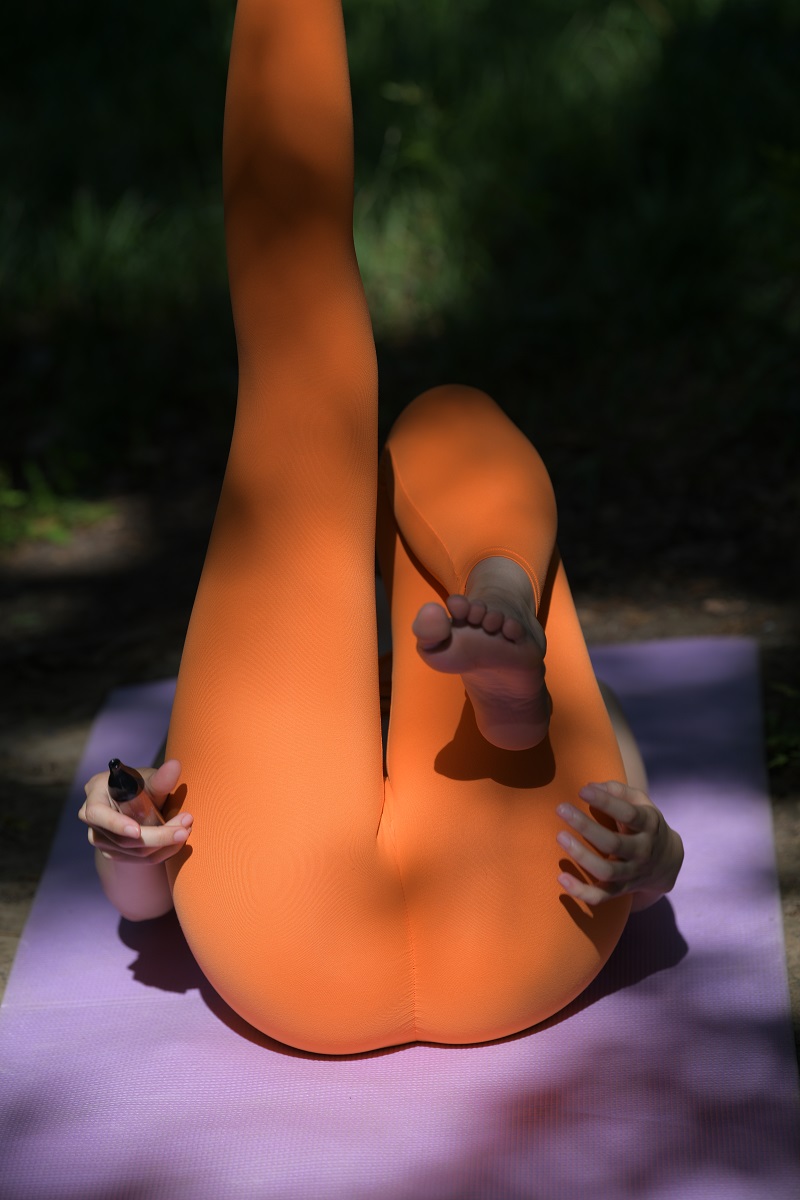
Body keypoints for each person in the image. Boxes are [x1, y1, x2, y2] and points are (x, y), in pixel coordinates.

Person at [78, 0, 683, 1054]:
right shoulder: (396, 639)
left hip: (293, 960)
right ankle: (504, 603)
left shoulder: (298, 664)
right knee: (433, 417)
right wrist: (654, 859)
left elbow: (146, 907)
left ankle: (501, 628)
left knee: (302, 386)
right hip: (528, 922)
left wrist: (128, 837)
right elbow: (632, 833)